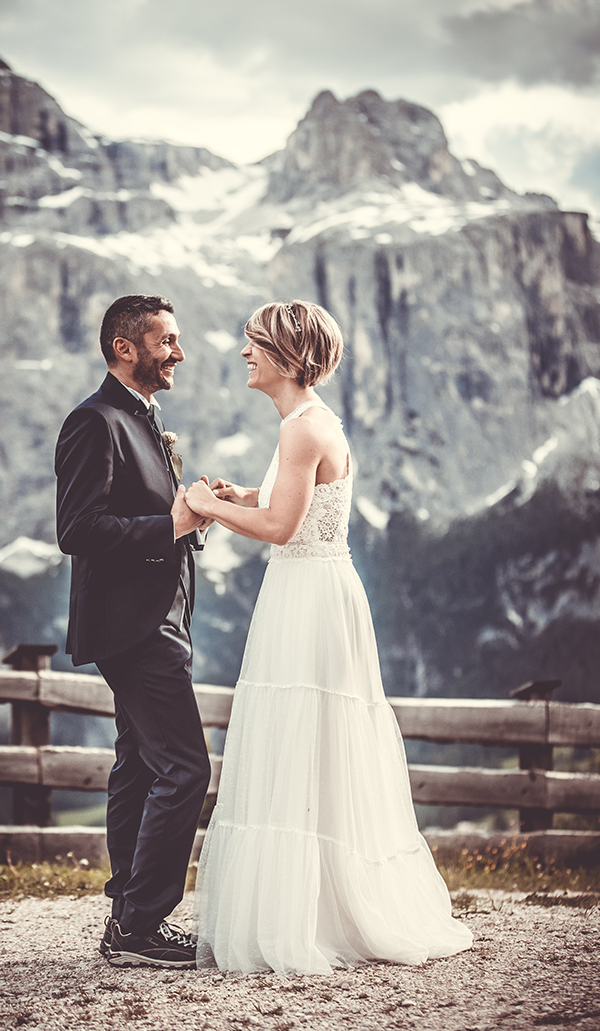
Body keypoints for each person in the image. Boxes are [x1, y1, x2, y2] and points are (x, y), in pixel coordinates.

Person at [185, 300, 473, 974]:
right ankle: (321, 904)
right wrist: (249, 492)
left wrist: (208, 506)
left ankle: (306, 918)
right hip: (317, 589)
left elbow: (283, 529)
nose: (243, 353)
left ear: (286, 355)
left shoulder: (301, 428)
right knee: (312, 740)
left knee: (299, 735)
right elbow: (296, 498)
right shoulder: (310, 423)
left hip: (307, 594)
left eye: (254, 343)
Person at [55, 294, 211, 969]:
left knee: (143, 764)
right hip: (134, 627)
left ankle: (128, 912)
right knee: (187, 767)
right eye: (167, 340)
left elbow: (148, 514)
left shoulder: (144, 417)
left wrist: (191, 512)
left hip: (157, 618)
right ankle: (142, 926)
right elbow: (78, 531)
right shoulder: (94, 421)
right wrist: (171, 526)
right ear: (125, 347)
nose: (178, 351)